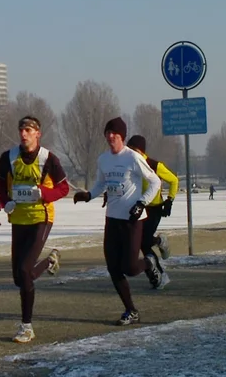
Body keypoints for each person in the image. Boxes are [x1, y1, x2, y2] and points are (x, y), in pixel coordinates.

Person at [74, 117, 160, 326]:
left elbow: (155, 182)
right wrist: (88, 195)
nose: (111, 136)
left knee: (130, 267)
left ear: (122, 136)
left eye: (115, 133)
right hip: (112, 220)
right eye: (108, 133)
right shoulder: (103, 159)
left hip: (132, 220)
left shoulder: (133, 157)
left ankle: (149, 262)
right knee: (113, 267)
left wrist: (141, 203)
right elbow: (100, 185)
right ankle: (131, 310)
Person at [0, 114, 69, 344]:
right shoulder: (8, 157)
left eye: (29, 130)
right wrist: (5, 199)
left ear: (38, 134)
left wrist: (45, 194)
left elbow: (64, 188)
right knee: (19, 278)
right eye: (21, 130)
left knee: (26, 271)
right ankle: (49, 262)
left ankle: (26, 327)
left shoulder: (49, 159)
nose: (24, 134)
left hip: (41, 217)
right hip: (18, 219)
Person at [126, 135, 178, 290]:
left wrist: (169, 200)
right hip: (137, 208)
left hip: (154, 208)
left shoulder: (154, 165)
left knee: (144, 242)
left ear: (139, 150)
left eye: (131, 149)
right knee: (141, 244)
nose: (128, 152)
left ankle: (159, 274)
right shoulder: (130, 165)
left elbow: (174, 180)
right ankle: (158, 275)